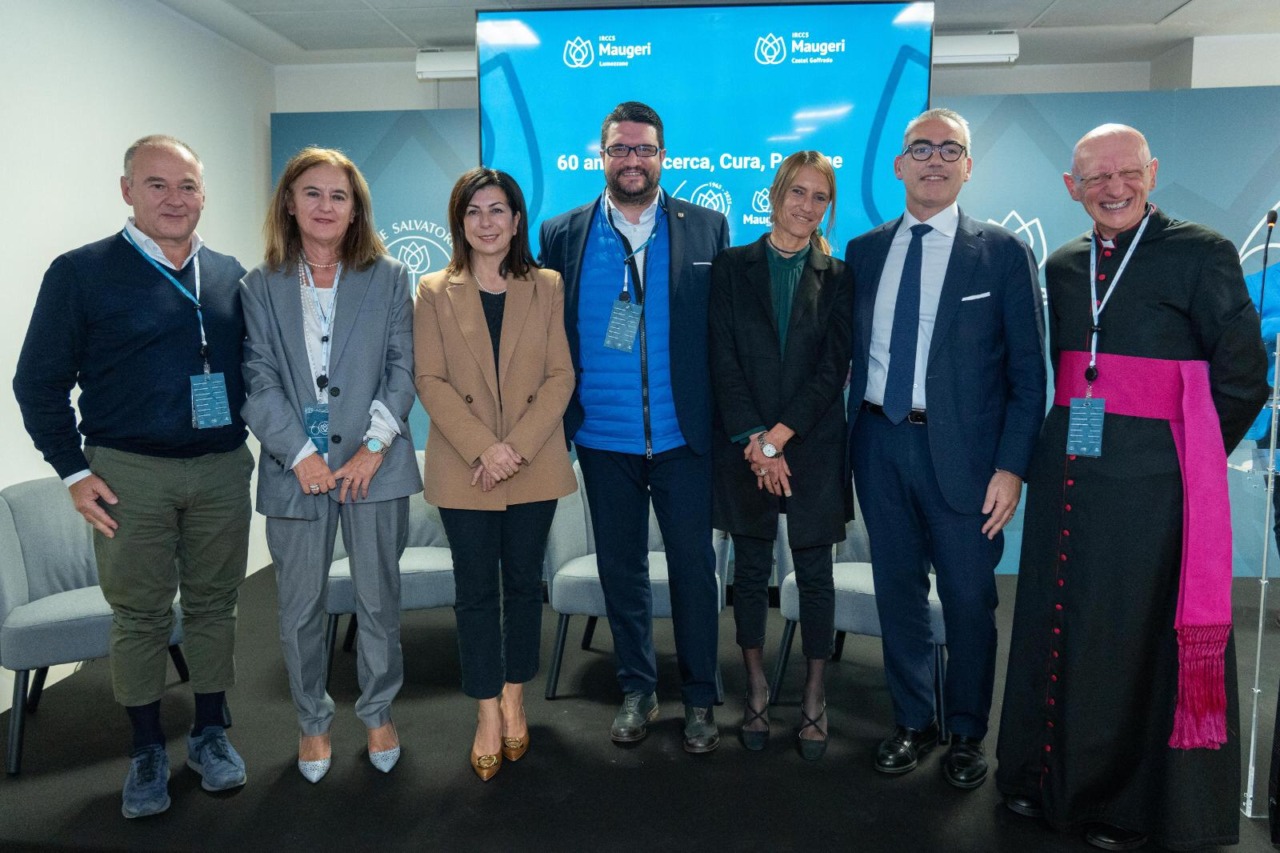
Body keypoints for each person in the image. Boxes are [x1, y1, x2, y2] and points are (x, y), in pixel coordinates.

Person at [995, 124, 1269, 851]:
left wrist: (1188, 460)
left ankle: (1126, 805)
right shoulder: (1062, 264)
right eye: (1096, 177)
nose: (1114, 188)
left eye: (1128, 172)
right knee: (1060, 624)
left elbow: (1244, 375)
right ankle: (1045, 779)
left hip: (1155, 490)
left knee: (1128, 643)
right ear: (1071, 187)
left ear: (1152, 171)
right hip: (1069, 476)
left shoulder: (1203, 253)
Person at [13, 135, 253, 818]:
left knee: (214, 606)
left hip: (220, 469)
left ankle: (210, 732)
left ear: (203, 195)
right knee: (141, 615)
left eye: (186, 187)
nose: (174, 199)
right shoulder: (82, 272)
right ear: (127, 191)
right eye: (157, 185)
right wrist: (72, 470)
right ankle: (146, 748)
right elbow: (38, 382)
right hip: (127, 474)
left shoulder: (231, 273)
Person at [845, 108, 1046, 789]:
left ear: (966, 165)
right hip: (878, 443)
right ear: (898, 164)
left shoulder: (1002, 253)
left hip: (966, 461)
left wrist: (1013, 467)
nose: (934, 159)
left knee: (968, 600)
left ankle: (965, 730)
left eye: (949, 149)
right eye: (920, 148)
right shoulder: (865, 251)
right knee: (897, 594)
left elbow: (1029, 376)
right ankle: (911, 720)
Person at [539, 101, 730, 753]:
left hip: (684, 440)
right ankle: (638, 688)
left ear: (662, 156)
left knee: (693, 571)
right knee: (621, 569)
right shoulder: (562, 232)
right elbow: (550, 337)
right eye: (620, 149)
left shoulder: (707, 227)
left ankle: (701, 696)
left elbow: (722, 336)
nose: (632, 160)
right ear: (602, 155)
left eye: (644, 149)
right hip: (602, 440)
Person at [241, 147, 421, 784]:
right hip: (299, 471)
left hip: (376, 467)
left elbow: (404, 369)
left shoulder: (391, 276)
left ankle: (378, 713)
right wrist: (303, 455)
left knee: (379, 602)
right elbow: (258, 380)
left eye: (338, 196)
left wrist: (372, 449)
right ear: (289, 202)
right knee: (299, 609)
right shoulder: (258, 285)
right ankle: (312, 723)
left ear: (356, 210)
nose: (325, 206)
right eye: (312, 193)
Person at [414, 168, 576, 781]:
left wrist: (517, 448)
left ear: (516, 219)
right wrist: (487, 448)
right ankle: (486, 710)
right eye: (474, 211)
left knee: (524, 586)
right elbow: (429, 380)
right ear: (460, 221)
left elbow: (561, 375)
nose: (487, 222)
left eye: (498, 210)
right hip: (465, 469)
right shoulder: (433, 290)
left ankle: (514, 697)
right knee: (476, 592)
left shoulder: (547, 285)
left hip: (532, 466)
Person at [708, 151, 852, 758]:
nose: (807, 206)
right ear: (775, 194)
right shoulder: (731, 266)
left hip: (812, 447)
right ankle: (758, 686)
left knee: (815, 575)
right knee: (749, 570)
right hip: (745, 450)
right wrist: (755, 441)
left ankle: (815, 693)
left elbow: (833, 368)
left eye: (820, 197)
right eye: (798, 192)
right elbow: (722, 360)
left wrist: (780, 438)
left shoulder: (841, 275)